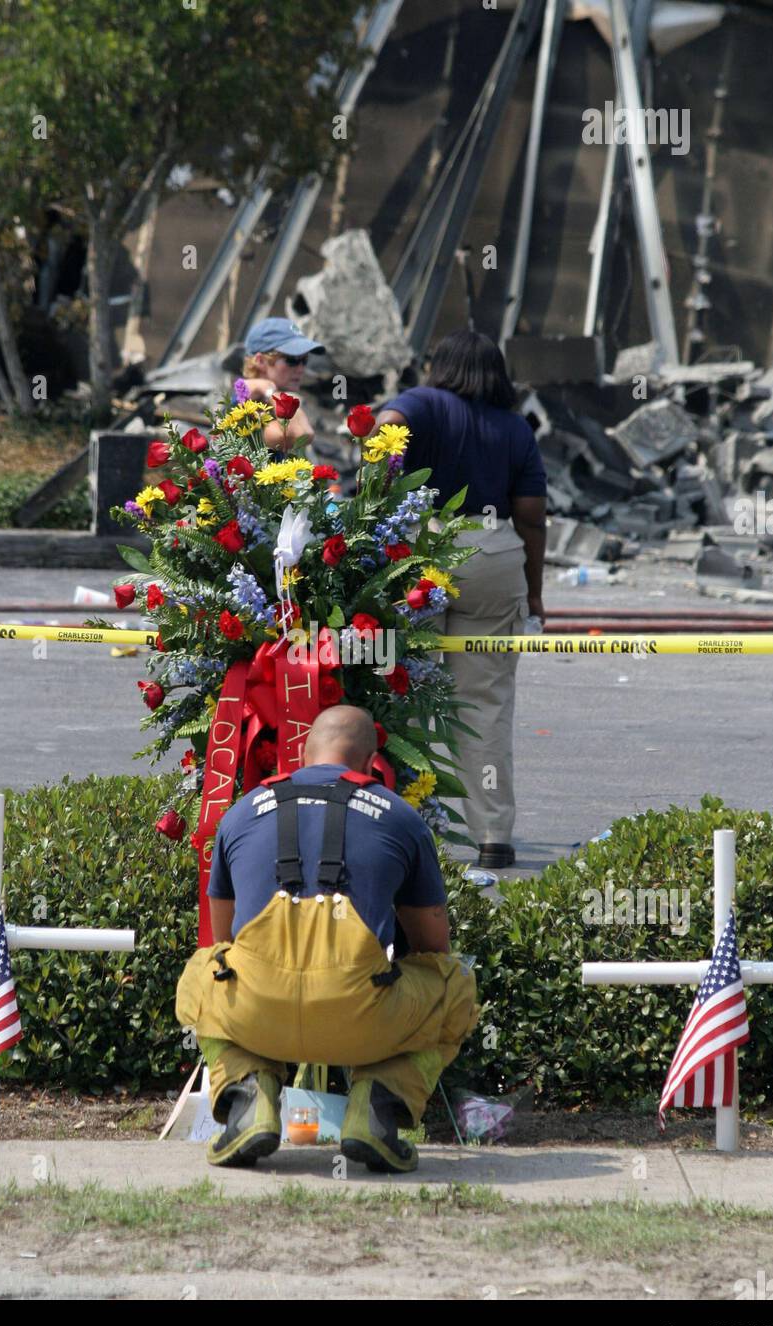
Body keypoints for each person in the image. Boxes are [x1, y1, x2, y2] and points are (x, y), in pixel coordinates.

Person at [176, 706, 479, 1173]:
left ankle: (248, 1092)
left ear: (301, 752)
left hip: (258, 1015)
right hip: (364, 1021)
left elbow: (224, 939)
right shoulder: (400, 817)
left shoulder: (241, 813)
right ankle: (377, 1103)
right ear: (372, 761)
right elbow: (432, 947)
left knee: (203, 969)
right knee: (454, 982)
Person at [376, 329, 547, 871]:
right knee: (486, 701)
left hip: (422, 550)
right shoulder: (516, 428)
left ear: (439, 365)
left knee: (405, 689)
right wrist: (535, 592)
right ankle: (493, 835)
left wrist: (379, 485)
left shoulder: (423, 403)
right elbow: (531, 517)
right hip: (494, 554)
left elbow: (388, 423)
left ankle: (403, 823)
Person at [238, 317, 324, 454]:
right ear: (260, 361)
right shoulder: (244, 404)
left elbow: (306, 433)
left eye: (305, 360)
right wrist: (270, 390)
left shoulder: (268, 402)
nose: (301, 369)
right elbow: (300, 433)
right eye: (292, 360)